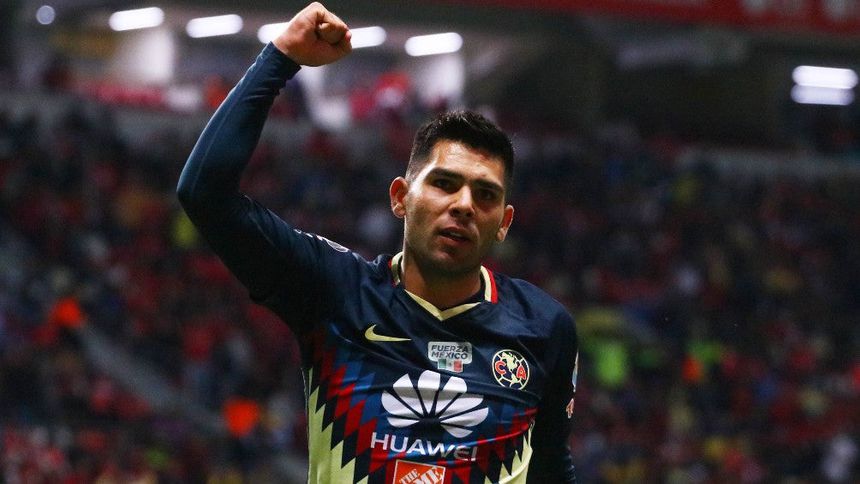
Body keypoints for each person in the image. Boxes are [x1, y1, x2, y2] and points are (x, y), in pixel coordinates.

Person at [177, 2, 579, 482]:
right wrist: (280, 57)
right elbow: (205, 194)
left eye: (485, 194)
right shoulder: (335, 291)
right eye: (444, 183)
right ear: (400, 197)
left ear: (504, 222)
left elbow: (552, 468)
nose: (464, 204)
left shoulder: (544, 326)